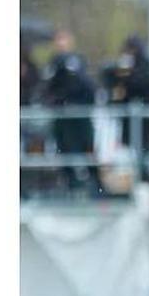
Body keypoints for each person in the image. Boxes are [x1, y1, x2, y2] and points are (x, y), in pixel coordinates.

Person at [40, 30, 102, 196]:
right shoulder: (53, 62)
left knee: (87, 148)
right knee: (64, 149)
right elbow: (48, 87)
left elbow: (86, 85)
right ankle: (71, 184)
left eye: (64, 40)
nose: (61, 44)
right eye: (58, 40)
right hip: (62, 116)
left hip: (80, 115)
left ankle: (96, 183)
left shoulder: (77, 60)